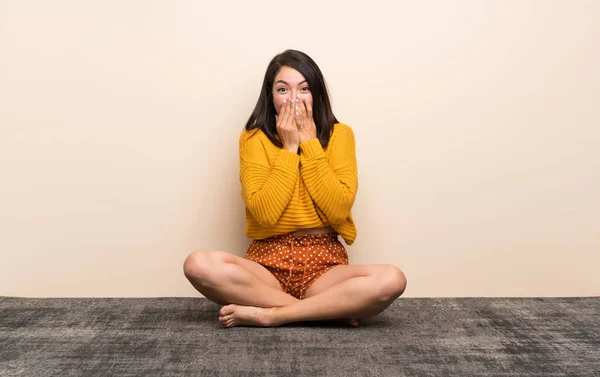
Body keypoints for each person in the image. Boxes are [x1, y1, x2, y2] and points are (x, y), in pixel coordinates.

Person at [183, 49, 406, 328]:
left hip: (325, 266)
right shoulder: (253, 138)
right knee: (198, 264)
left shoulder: (340, 135)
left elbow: (338, 209)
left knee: (392, 279)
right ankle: (324, 311)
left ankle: (273, 314)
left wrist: (310, 142)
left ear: (317, 94)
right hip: (266, 265)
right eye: (282, 89)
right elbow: (265, 213)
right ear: (271, 96)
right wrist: (289, 148)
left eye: (304, 89)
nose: (293, 98)